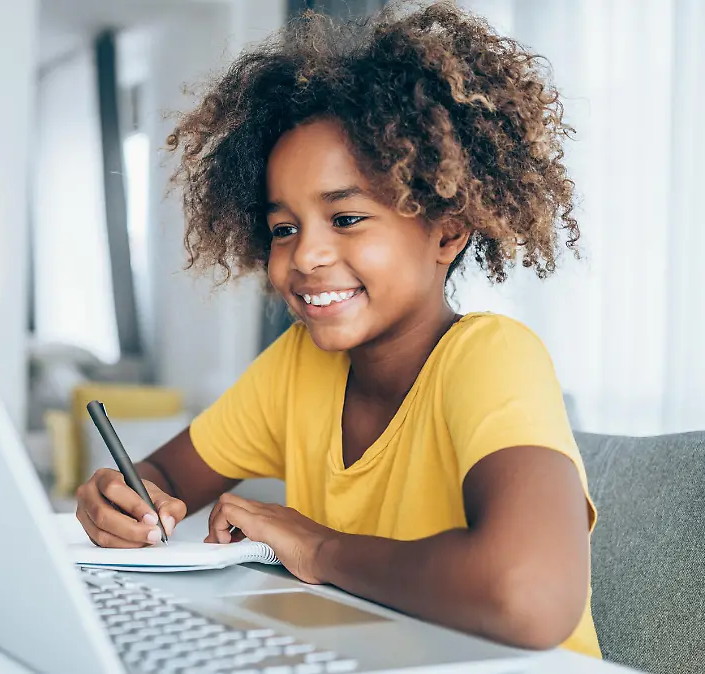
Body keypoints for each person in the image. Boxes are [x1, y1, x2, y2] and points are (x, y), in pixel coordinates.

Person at [74, 1, 602, 658]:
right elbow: (164, 479)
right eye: (283, 229)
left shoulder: (492, 358)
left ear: (446, 229)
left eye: (346, 218)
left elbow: (528, 594)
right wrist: (122, 496)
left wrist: (316, 547)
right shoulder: (298, 366)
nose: (305, 256)